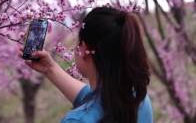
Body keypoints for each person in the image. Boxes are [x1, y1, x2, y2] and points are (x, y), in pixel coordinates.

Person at [21, 7, 153, 122]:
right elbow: (90, 98)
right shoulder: (138, 100)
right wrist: (50, 68)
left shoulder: (77, 120)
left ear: (84, 49)